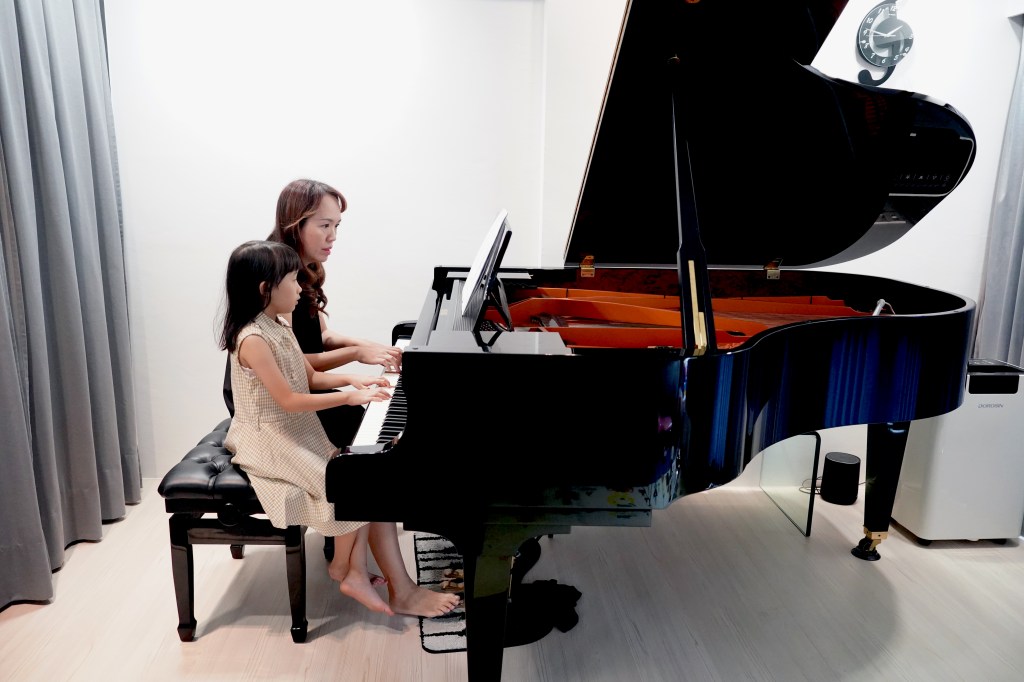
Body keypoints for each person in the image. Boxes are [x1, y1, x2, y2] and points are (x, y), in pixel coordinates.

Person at [219, 239, 460, 618]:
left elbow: (310, 377)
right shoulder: (252, 339)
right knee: (346, 486)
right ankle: (346, 570)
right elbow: (289, 399)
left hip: (298, 430)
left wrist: (355, 380)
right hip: (270, 439)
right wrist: (349, 397)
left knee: (360, 476)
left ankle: (346, 569)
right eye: (292, 281)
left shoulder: (278, 325)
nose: (301, 289)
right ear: (266, 289)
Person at [267, 178, 403, 447]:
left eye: (336, 225)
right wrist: (356, 354)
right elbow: (290, 364)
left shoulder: (307, 266)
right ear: (295, 225)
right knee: (364, 432)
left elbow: (322, 336)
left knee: (366, 421)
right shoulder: (277, 276)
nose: (333, 236)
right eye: (324, 225)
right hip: (278, 401)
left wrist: (371, 347)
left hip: (305, 385)